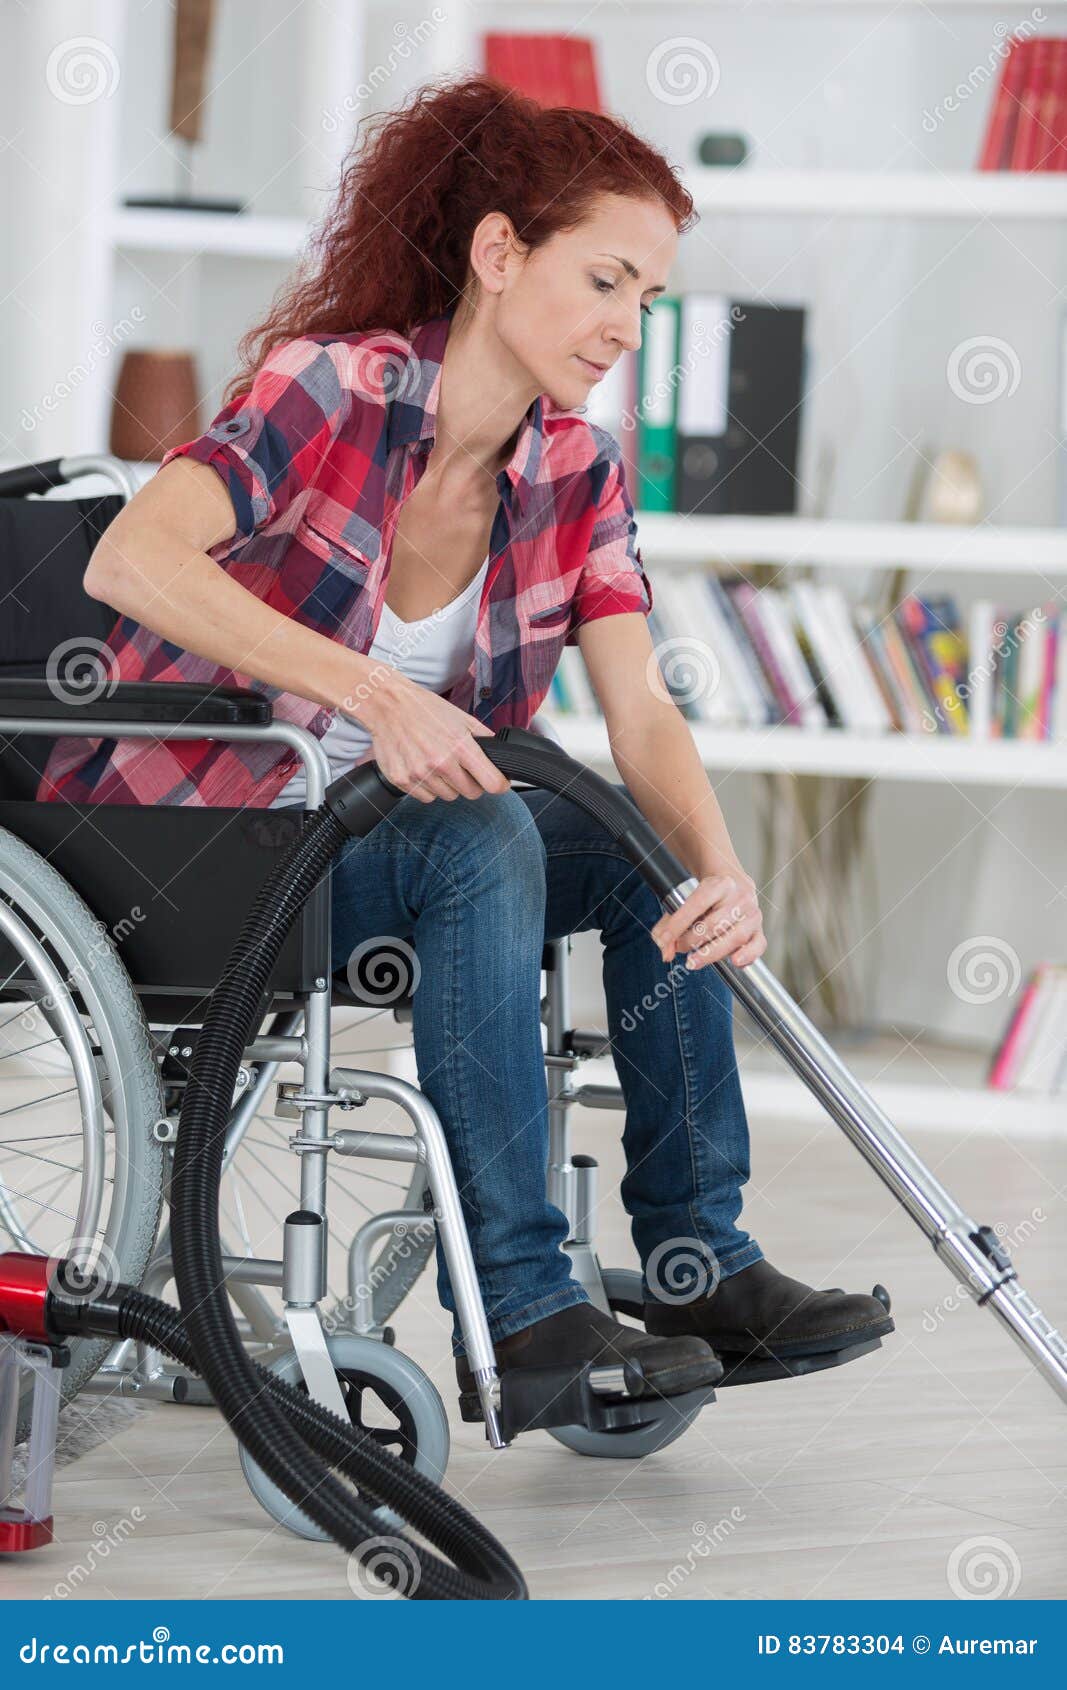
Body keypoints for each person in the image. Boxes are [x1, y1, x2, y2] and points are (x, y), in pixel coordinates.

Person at [38, 74, 892, 1404]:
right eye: (606, 280)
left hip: (396, 852)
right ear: (500, 255)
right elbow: (135, 561)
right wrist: (379, 696)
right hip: (212, 839)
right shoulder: (331, 390)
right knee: (481, 828)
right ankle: (524, 1310)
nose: (627, 327)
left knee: (637, 846)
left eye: (648, 299)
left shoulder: (577, 471)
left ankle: (698, 1260)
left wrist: (720, 875)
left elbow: (641, 707)